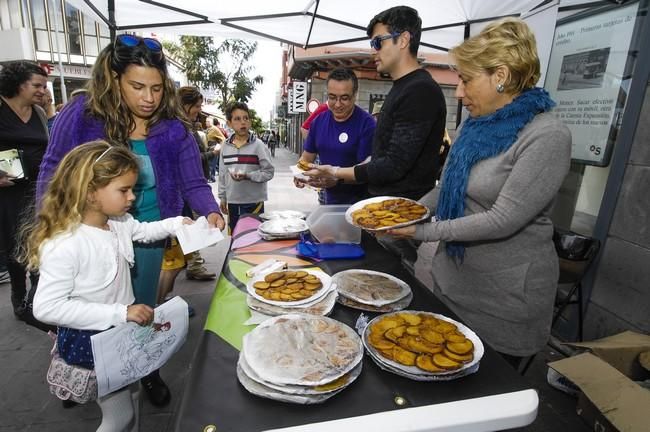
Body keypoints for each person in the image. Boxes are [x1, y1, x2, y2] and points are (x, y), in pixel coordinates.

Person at [35, 34, 225, 408]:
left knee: (139, 308)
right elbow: (52, 169)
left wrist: (210, 210)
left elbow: (193, 182)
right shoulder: (81, 115)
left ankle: (145, 369)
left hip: (146, 231)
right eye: (137, 86)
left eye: (156, 88)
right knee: (90, 304)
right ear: (113, 78)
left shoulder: (174, 128)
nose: (148, 98)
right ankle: (87, 370)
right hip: (87, 230)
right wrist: (50, 229)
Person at [384, 18, 572, 365]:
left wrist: (423, 231)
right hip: (453, 283)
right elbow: (448, 186)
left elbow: (502, 219)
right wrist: (406, 211)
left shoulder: (546, 136)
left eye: (467, 80)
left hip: (504, 300)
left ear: (500, 76)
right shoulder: (475, 124)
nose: (458, 92)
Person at [24, 142, 190, 432]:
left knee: (134, 394)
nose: (132, 197)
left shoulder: (118, 222)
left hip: (120, 332)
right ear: (90, 192)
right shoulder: (67, 243)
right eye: (124, 190)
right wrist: (120, 313)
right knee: (119, 416)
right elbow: (46, 307)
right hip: (96, 340)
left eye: (132, 189)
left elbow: (144, 231)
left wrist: (177, 223)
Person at [304, 6, 446, 263]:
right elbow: (381, 156)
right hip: (380, 213)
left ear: (403, 40)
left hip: (395, 218)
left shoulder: (419, 91)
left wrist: (337, 173)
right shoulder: (403, 87)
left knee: (385, 287)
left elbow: (392, 165)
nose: (373, 50)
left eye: (378, 42)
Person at [0, 61, 48, 320]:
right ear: (19, 85)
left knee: (41, 242)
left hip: (39, 189)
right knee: (14, 245)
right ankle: (19, 296)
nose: (42, 90)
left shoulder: (39, 113)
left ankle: (38, 297)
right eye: (37, 85)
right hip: (7, 193)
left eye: (44, 85)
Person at [295, 68, 375, 205]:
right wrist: (299, 173)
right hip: (328, 200)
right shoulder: (318, 121)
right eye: (332, 97)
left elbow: (367, 171)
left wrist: (336, 178)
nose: (337, 104)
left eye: (344, 98)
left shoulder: (367, 124)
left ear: (355, 95)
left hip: (361, 205)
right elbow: (306, 157)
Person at [218, 102, 274, 233]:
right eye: (237, 119)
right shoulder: (225, 146)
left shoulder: (258, 146)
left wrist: (249, 176)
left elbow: (269, 172)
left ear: (250, 121)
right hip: (232, 201)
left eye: (246, 118)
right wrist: (223, 197)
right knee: (235, 239)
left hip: (253, 202)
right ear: (229, 123)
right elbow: (222, 174)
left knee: (251, 239)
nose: (243, 122)